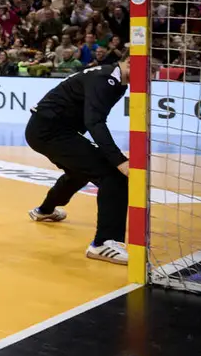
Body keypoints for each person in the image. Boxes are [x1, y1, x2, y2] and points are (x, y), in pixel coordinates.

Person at [25, 61, 131, 264]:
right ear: (133, 62)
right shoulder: (106, 79)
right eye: (150, 70)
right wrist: (118, 160)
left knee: (80, 171)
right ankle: (104, 243)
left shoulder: (116, 80)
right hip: (50, 132)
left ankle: (44, 211)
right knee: (113, 175)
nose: (154, 77)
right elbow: (94, 121)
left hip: (48, 130)